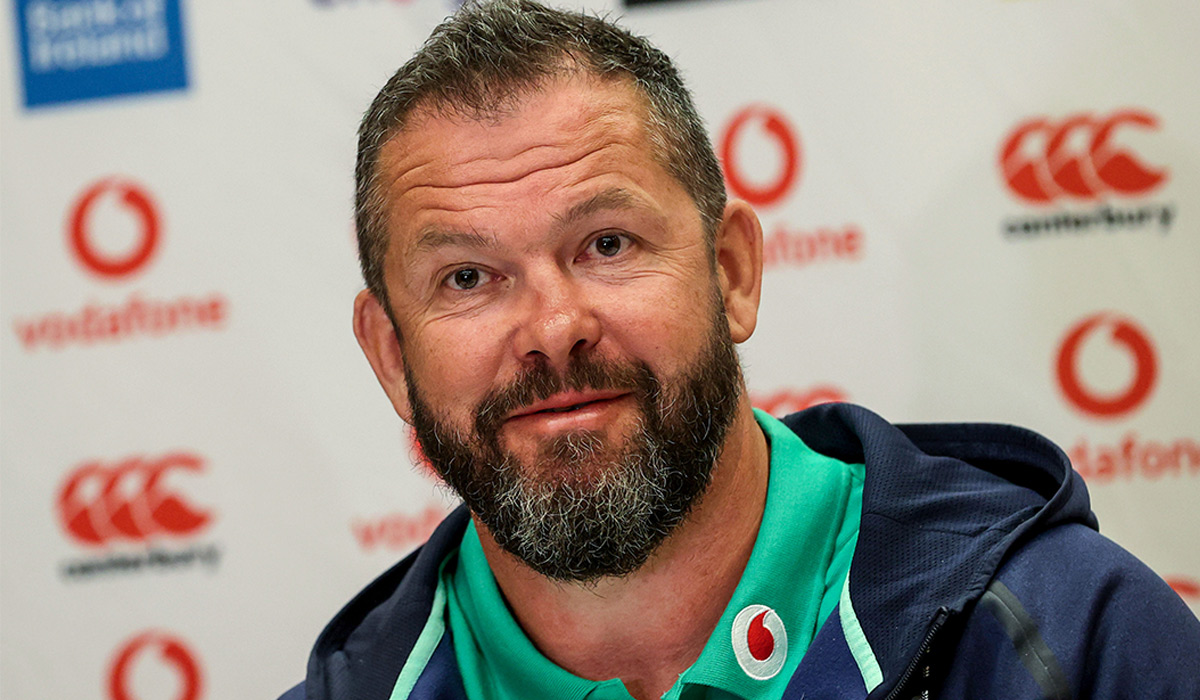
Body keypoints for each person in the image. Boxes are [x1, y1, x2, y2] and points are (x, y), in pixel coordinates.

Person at [280, 1, 1200, 698]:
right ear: (392, 355)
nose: (553, 328)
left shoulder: (1071, 637)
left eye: (607, 244)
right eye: (468, 278)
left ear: (731, 274)